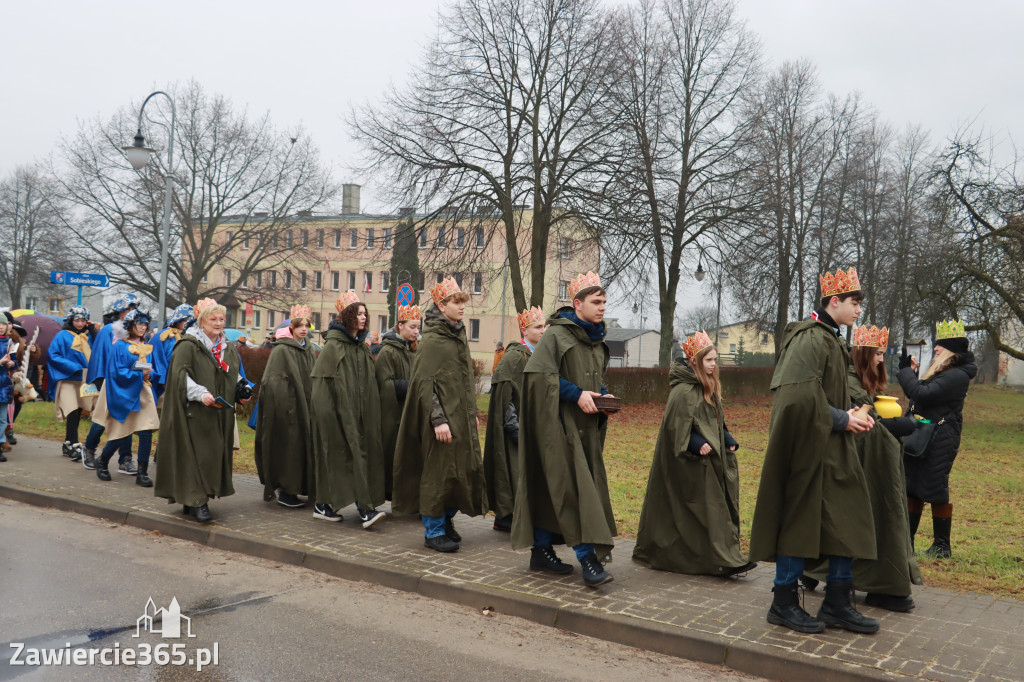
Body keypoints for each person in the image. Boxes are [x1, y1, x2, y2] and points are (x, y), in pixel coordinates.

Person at [749, 267, 879, 635]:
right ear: (833, 302)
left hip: (832, 448)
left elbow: (824, 394)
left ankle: (837, 601)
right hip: (808, 450)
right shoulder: (810, 339)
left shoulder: (832, 338)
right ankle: (783, 602)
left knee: (846, 518)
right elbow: (796, 398)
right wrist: (841, 419)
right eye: (854, 303)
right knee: (798, 522)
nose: (858, 311)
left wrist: (851, 412)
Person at [803, 324, 922, 611]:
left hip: (870, 460)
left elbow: (869, 413)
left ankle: (813, 571)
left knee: (867, 520)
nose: (881, 360)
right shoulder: (845, 378)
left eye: (883, 354)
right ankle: (821, 573)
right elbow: (849, 418)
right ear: (863, 353)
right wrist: (890, 426)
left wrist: (890, 421)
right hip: (854, 461)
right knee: (860, 521)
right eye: (877, 354)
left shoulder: (862, 379)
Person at [511, 272, 618, 587]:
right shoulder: (555, 336)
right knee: (572, 489)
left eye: (604, 302)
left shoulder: (596, 341)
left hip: (584, 428)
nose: (601, 308)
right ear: (577, 304)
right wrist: (575, 393)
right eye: (595, 302)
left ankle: (541, 551)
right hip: (556, 427)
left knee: (552, 488)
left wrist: (601, 393)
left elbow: (588, 377)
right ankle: (588, 558)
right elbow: (538, 377)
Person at [632, 331, 756, 577]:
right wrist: (696, 443)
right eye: (708, 360)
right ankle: (722, 558)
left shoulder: (707, 386)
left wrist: (727, 439)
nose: (713, 365)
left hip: (710, 459)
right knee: (708, 509)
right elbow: (676, 428)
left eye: (714, 360)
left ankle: (720, 557)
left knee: (712, 508)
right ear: (694, 362)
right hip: (689, 463)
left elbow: (714, 420)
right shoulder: (683, 392)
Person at [393, 276, 487, 552]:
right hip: (441, 422)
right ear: (441, 305)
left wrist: (471, 414)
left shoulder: (456, 335)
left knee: (457, 473)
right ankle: (433, 531)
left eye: (462, 302)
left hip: (460, 418)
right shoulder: (433, 339)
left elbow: (460, 380)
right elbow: (424, 384)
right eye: (455, 302)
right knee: (437, 473)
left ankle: (446, 521)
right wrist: (438, 419)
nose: (461, 307)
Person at [155, 299, 247, 523]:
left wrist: (241, 386)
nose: (218, 323)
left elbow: (231, 372)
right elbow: (180, 377)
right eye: (212, 319)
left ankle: (194, 498)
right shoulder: (188, 345)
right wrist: (201, 394)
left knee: (212, 455)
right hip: (194, 411)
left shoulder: (225, 346)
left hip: (218, 412)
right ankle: (197, 501)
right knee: (195, 456)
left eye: (221, 319)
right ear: (201, 321)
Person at [898, 320, 976, 559]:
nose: (935, 349)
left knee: (935, 486)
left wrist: (904, 373)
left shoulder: (958, 375)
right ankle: (906, 542)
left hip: (941, 437)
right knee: (913, 487)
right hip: (927, 434)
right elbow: (921, 395)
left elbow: (923, 393)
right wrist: (911, 375)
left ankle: (942, 546)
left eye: (940, 346)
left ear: (951, 350)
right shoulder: (947, 372)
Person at [310, 293, 386, 529]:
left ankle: (327, 505)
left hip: (361, 417)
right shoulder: (334, 346)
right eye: (359, 313)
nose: (363, 318)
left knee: (359, 458)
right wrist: (330, 418)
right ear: (348, 316)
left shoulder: (360, 347)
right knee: (344, 459)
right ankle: (363, 510)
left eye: (365, 314)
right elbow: (322, 389)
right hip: (341, 417)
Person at [484, 306, 546, 533]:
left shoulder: (538, 355)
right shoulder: (513, 356)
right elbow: (505, 395)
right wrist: (515, 428)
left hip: (531, 425)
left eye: (544, 326)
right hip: (515, 428)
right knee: (511, 472)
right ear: (524, 330)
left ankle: (516, 516)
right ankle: (505, 516)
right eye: (537, 327)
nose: (543, 330)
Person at [255, 305, 316, 509]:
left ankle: (300, 487)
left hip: (306, 407)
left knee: (303, 448)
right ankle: (286, 492)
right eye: (300, 325)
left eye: (307, 325)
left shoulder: (308, 349)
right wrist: (287, 407)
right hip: (289, 410)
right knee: (289, 449)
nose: (304, 329)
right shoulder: (282, 350)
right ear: (292, 327)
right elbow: (273, 382)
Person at [93, 310, 159, 487]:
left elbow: (152, 367)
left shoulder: (147, 345)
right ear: (130, 326)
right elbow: (117, 372)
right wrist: (140, 374)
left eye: (145, 324)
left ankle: (142, 473)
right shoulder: (120, 346)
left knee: (146, 432)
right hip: (125, 393)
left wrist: (150, 375)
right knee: (122, 432)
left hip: (143, 393)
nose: (144, 327)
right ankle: (103, 460)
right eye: (140, 324)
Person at [82, 294, 139, 472]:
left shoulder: (135, 331)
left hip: (128, 379)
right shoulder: (109, 330)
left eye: (134, 309)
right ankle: (90, 448)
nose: (131, 312)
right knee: (104, 416)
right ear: (120, 311)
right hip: (109, 380)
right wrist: (101, 379)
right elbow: (101, 356)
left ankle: (125, 458)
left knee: (126, 417)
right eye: (128, 309)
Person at [374, 304, 420, 501]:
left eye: (418, 327)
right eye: (412, 327)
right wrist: (412, 386)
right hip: (393, 415)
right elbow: (384, 385)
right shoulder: (387, 352)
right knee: (392, 455)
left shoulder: (413, 351)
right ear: (399, 326)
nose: (416, 331)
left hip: (410, 412)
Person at [46, 306, 98, 461]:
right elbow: (53, 354)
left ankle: (68, 443)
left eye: (83, 321)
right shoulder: (62, 335)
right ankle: (73, 443)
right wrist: (72, 367)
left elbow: (102, 350)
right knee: (72, 410)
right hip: (68, 378)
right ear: (71, 320)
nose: (80, 324)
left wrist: (94, 331)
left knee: (81, 410)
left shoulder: (90, 336)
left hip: (85, 378)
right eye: (77, 320)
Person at [151, 304, 195, 405]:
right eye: (184, 320)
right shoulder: (163, 336)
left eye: (189, 321)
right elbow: (158, 359)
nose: (187, 324)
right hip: (166, 387)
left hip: (186, 384)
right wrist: (164, 381)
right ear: (177, 320)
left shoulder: (191, 337)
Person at [0, 318, 17, 460]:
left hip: (4, 385)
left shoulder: (10, 343)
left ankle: (0, 443)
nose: (1, 327)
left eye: (3, 324)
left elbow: (15, 362)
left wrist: (12, 363)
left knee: (3, 419)